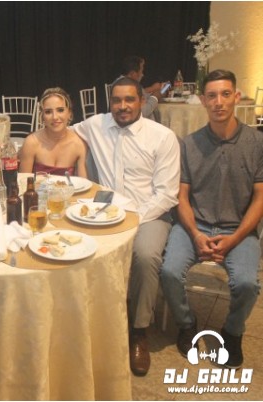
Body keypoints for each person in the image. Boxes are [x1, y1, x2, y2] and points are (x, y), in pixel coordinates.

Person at [73, 76, 180, 376]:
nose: (122, 106)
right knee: (77, 247)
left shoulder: (162, 137)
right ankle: (90, 322)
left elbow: (167, 194)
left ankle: (139, 330)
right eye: (117, 100)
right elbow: (60, 132)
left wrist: (132, 220)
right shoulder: (96, 125)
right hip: (106, 210)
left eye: (129, 99)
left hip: (150, 213)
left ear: (142, 101)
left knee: (145, 256)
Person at [159, 70, 263, 369]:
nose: (219, 102)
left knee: (247, 283)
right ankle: (186, 323)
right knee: (168, 271)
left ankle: (232, 332)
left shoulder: (256, 142)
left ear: (236, 97)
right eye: (212, 96)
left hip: (238, 228)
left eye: (225, 94)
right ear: (203, 100)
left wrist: (235, 238)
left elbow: (260, 197)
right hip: (195, 224)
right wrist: (195, 234)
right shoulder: (189, 144)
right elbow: (182, 196)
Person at [18, 87, 87, 177]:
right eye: (48, 112)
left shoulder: (79, 145)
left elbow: (83, 183)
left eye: (60, 110)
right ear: (42, 117)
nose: (55, 117)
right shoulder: (31, 142)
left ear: (69, 113)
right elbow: (23, 182)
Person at [119, 56, 166, 121]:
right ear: (133, 73)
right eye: (141, 71)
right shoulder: (124, 87)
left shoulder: (130, 83)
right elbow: (142, 113)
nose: (142, 75)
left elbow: (145, 97)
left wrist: (158, 93)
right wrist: (155, 97)